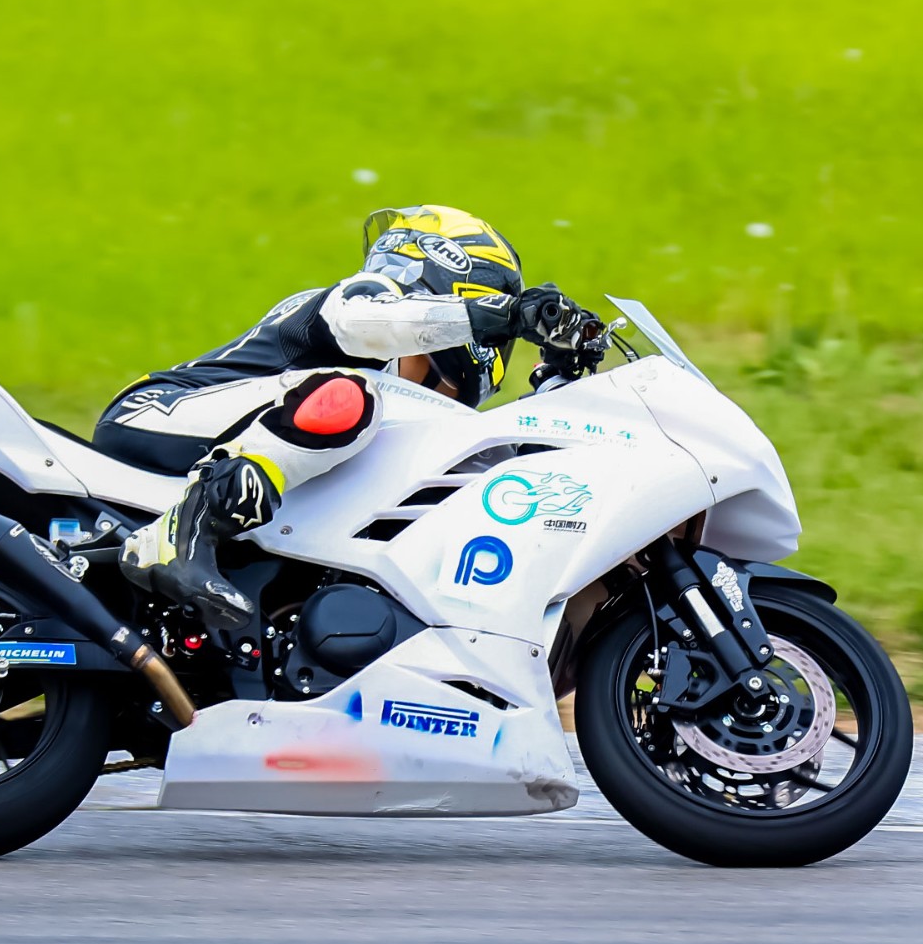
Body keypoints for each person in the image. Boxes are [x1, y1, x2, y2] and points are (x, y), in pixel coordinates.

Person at [92, 205, 601, 628]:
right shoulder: (360, 302)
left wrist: (559, 375)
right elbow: (367, 324)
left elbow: (503, 473)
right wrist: (502, 315)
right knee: (351, 397)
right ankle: (183, 533)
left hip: (223, 431)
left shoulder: (398, 398)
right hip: (155, 412)